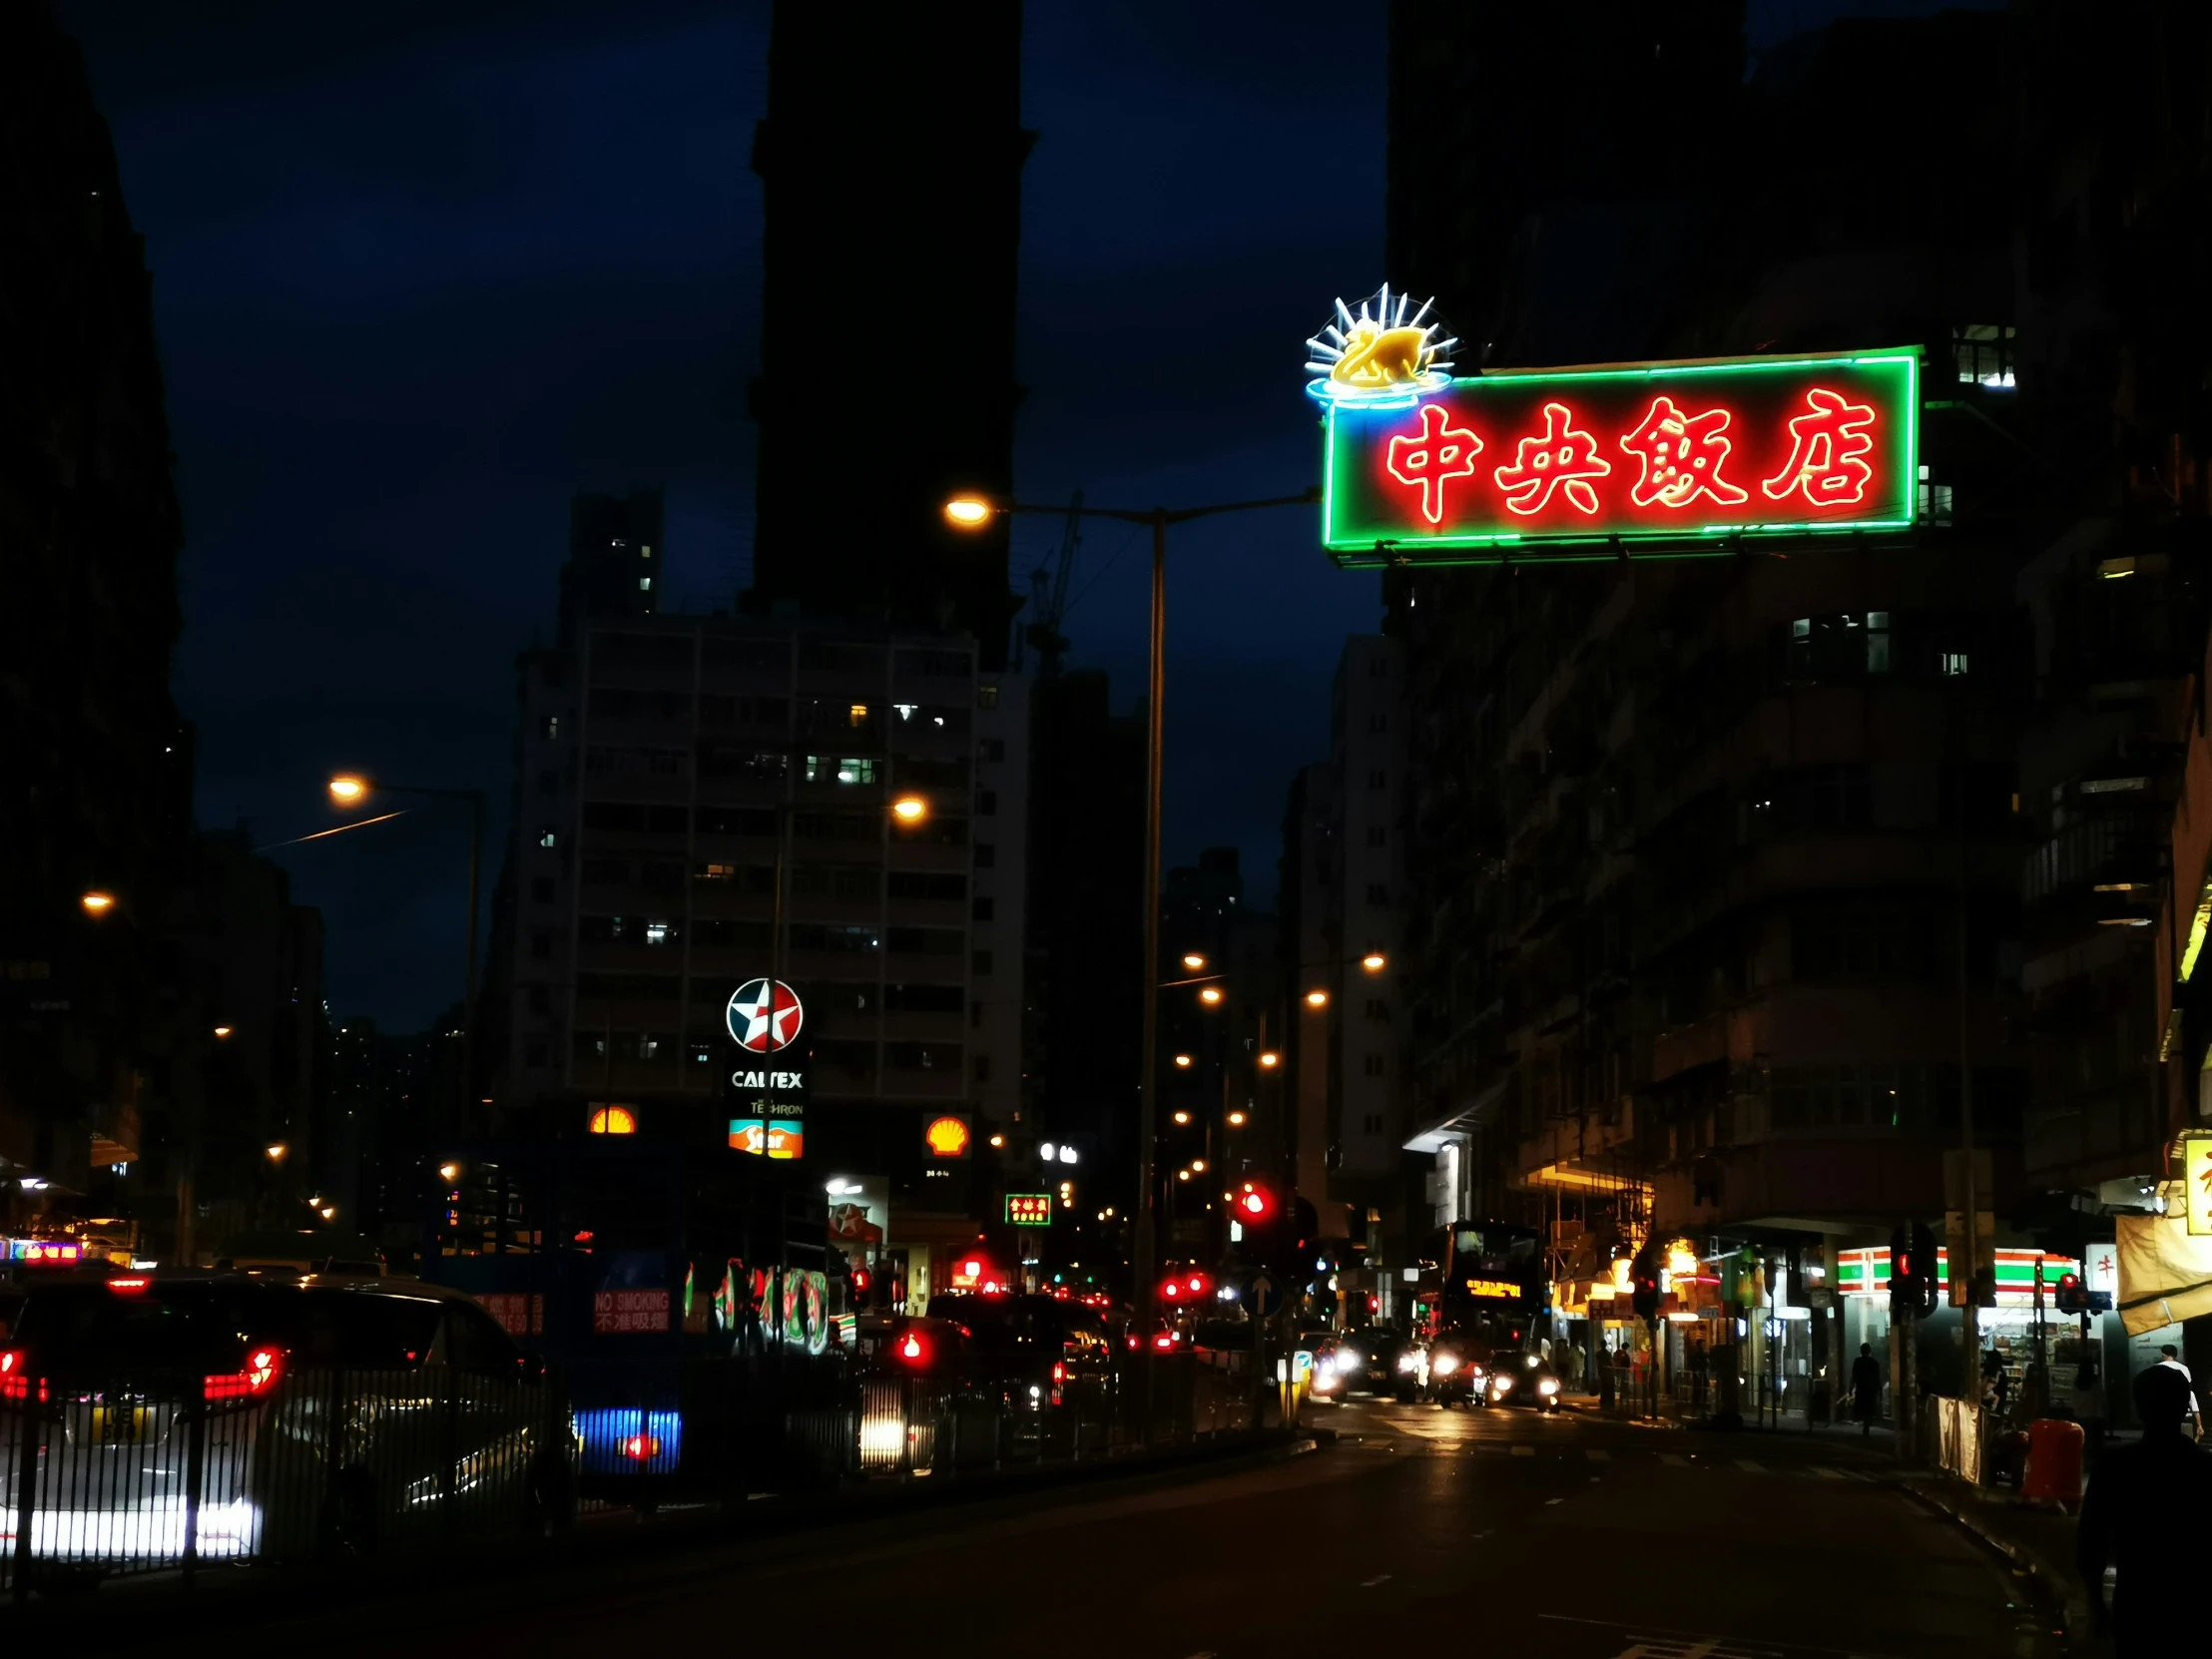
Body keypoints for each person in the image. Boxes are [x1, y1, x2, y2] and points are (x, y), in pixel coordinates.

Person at [2076, 1364, 2212, 1654]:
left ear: (2139, 1409)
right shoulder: (2203, 1468)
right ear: (2183, 1409)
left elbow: (2091, 1541)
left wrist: (2095, 1604)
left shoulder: (2115, 1467)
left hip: (2136, 1603)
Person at [2154, 1345, 2200, 1439]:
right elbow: (2188, 1389)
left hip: (2163, 1414)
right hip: (2182, 1415)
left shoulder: (2156, 1368)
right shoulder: (2184, 1369)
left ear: (2163, 1354)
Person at [1851, 1341, 1883, 1435]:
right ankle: (1866, 1427)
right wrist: (1880, 1391)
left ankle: (1865, 1426)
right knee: (1869, 1409)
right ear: (1869, 1351)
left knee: (1863, 1409)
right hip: (1871, 1389)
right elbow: (1877, 1378)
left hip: (1861, 1388)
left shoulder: (1857, 1362)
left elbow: (1854, 1376)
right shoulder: (1874, 1363)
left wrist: (1850, 1388)